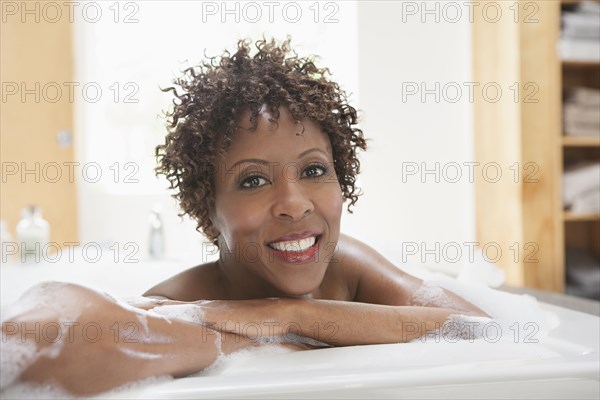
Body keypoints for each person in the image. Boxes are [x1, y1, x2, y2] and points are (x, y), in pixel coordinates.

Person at [1, 38, 488, 396]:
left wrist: (292, 316)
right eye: (253, 180)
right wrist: (244, 337)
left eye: (314, 170)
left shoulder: (347, 268)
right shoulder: (180, 302)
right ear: (207, 209)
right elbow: (39, 348)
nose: (295, 202)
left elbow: (484, 331)